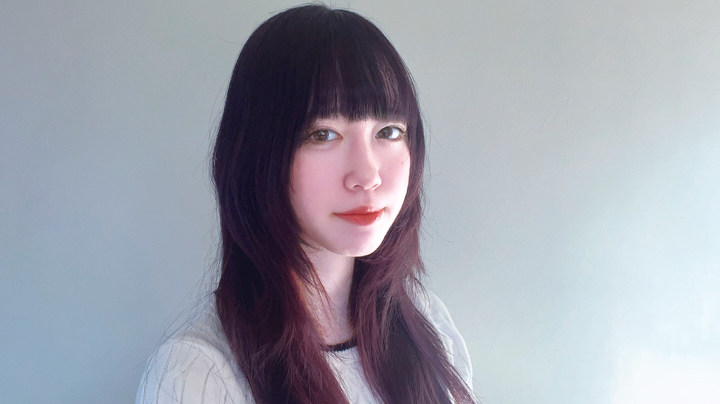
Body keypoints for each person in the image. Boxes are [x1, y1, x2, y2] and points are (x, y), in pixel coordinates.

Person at [136, 4, 475, 404]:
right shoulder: (197, 374)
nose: (367, 175)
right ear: (257, 155)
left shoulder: (427, 326)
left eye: (388, 131)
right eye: (322, 135)